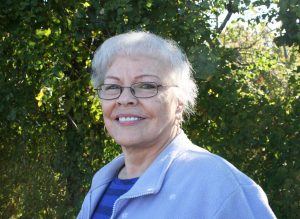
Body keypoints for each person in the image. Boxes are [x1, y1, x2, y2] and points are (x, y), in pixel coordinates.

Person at [77, 31, 276, 219]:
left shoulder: (220, 187)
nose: (125, 98)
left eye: (146, 86)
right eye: (113, 87)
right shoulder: (102, 183)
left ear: (180, 101)